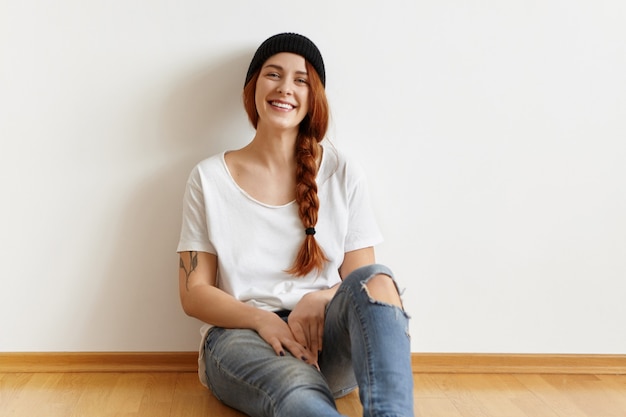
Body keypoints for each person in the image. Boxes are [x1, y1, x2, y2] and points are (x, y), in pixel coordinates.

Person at [177, 32, 414, 417]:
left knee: (379, 280)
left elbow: (361, 281)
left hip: (325, 338)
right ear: (253, 87)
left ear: (313, 95)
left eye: (301, 79)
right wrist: (263, 319)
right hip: (242, 337)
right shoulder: (208, 178)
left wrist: (317, 298)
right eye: (273, 74)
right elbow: (194, 293)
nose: (285, 88)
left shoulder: (342, 171)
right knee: (297, 391)